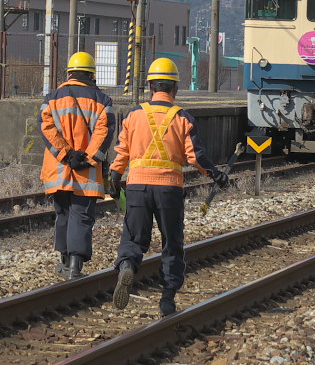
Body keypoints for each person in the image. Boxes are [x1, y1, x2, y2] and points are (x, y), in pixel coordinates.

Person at [110, 58, 228, 316]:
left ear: (151, 86)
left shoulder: (133, 115)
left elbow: (122, 152)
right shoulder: (183, 118)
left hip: (138, 187)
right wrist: (216, 174)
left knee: (133, 238)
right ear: (174, 88)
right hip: (169, 190)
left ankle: (128, 265)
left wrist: (114, 176)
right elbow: (196, 157)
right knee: (171, 243)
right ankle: (167, 298)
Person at [39, 51, 115, 279]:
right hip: (86, 172)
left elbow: (46, 127)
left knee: (63, 213)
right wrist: (86, 158)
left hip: (58, 169)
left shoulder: (52, 97)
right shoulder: (102, 100)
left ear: (70, 73)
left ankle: (63, 264)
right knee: (81, 215)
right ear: (92, 74)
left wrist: (66, 155)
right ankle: (75, 267)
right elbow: (104, 132)